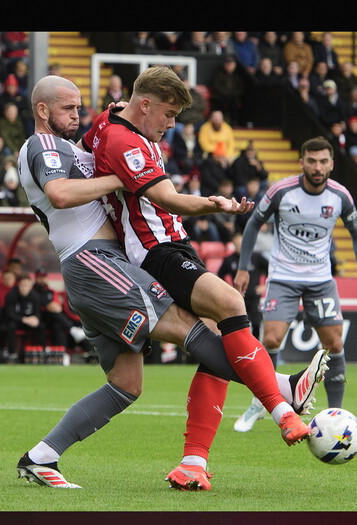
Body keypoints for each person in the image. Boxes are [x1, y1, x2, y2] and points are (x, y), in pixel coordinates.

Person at [17, 74, 327, 491]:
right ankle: (282, 391)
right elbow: (60, 194)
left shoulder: (82, 141)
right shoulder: (43, 145)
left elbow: (107, 136)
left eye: (77, 107)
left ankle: (41, 456)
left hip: (102, 269)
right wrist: (126, 178)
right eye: (67, 108)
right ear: (42, 110)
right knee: (189, 326)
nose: (77, 115)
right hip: (95, 263)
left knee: (126, 386)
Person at [232, 136, 357, 431]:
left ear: (331, 164)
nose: (317, 167)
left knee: (334, 343)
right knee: (270, 338)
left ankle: (336, 415)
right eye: (311, 161)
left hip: (320, 280)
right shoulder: (282, 191)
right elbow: (254, 223)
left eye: (323, 161)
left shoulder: (340, 196)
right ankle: (262, 401)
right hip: (283, 276)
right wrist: (244, 267)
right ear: (302, 163)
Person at [0, 274, 46, 363]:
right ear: (19, 285)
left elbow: (37, 312)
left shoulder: (35, 296)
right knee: (10, 326)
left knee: (41, 326)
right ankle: (11, 353)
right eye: (22, 285)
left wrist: (36, 319)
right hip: (17, 321)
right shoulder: (11, 295)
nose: (24, 288)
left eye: (27, 286)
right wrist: (23, 319)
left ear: (30, 286)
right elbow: (9, 313)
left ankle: (39, 352)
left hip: (29, 322)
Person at [210, 54, 247, 126]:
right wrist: (226, 94)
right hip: (221, 96)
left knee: (235, 103)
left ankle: (234, 122)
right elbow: (217, 86)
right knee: (218, 101)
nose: (229, 66)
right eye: (227, 64)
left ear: (235, 65)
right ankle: (220, 122)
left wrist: (232, 94)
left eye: (231, 64)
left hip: (233, 97)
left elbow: (240, 88)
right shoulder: (219, 73)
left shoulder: (238, 76)